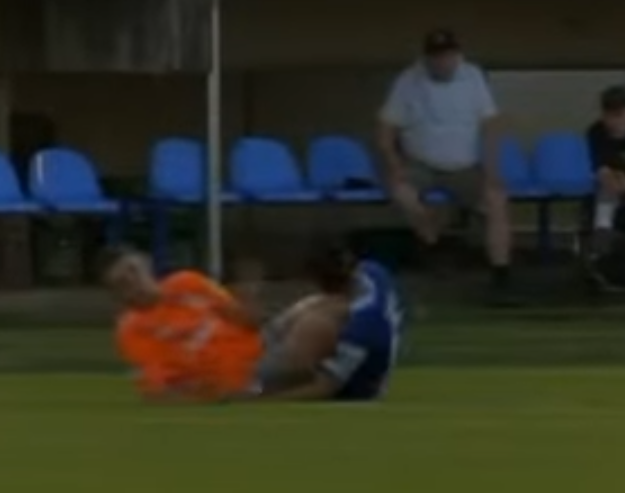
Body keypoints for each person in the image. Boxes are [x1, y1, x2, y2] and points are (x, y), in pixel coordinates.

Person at [377, 28, 514, 305]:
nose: (442, 62)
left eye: (447, 56)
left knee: (497, 200)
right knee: (403, 193)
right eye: (436, 57)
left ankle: (502, 276)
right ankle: (434, 245)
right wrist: (395, 165)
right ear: (426, 58)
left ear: (457, 55)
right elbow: (385, 130)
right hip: (421, 164)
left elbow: (491, 125)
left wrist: (492, 170)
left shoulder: (473, 77)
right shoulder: (408, 80)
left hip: (466, 165)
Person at [102, 246, 264, 402]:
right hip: (224, 378)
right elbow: (159, 389)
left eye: (134, 271)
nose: (135, 283)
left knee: (281, 326)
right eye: (124, 283)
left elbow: (245, 319)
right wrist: (211, 392)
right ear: (117, 295)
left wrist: (249, 301)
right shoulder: (132, 329)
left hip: (260, 357)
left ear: (147, 264)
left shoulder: (188, 282)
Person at [252, 238, 405, 401]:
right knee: (305, 309)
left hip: (359, 389)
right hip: (368, 354)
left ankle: (258, 377)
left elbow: (326, 387)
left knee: (311, 324)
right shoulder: (373, 271)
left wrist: (264, 400)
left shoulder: (360, 326)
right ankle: (251, 358)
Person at [585, 85, 625, 289]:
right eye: (609, 115)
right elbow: (601, 168)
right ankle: (602, 235)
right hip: (610, 186)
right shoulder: (596, 132)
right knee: (605, 188)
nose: (613, 122)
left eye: (619, 115)